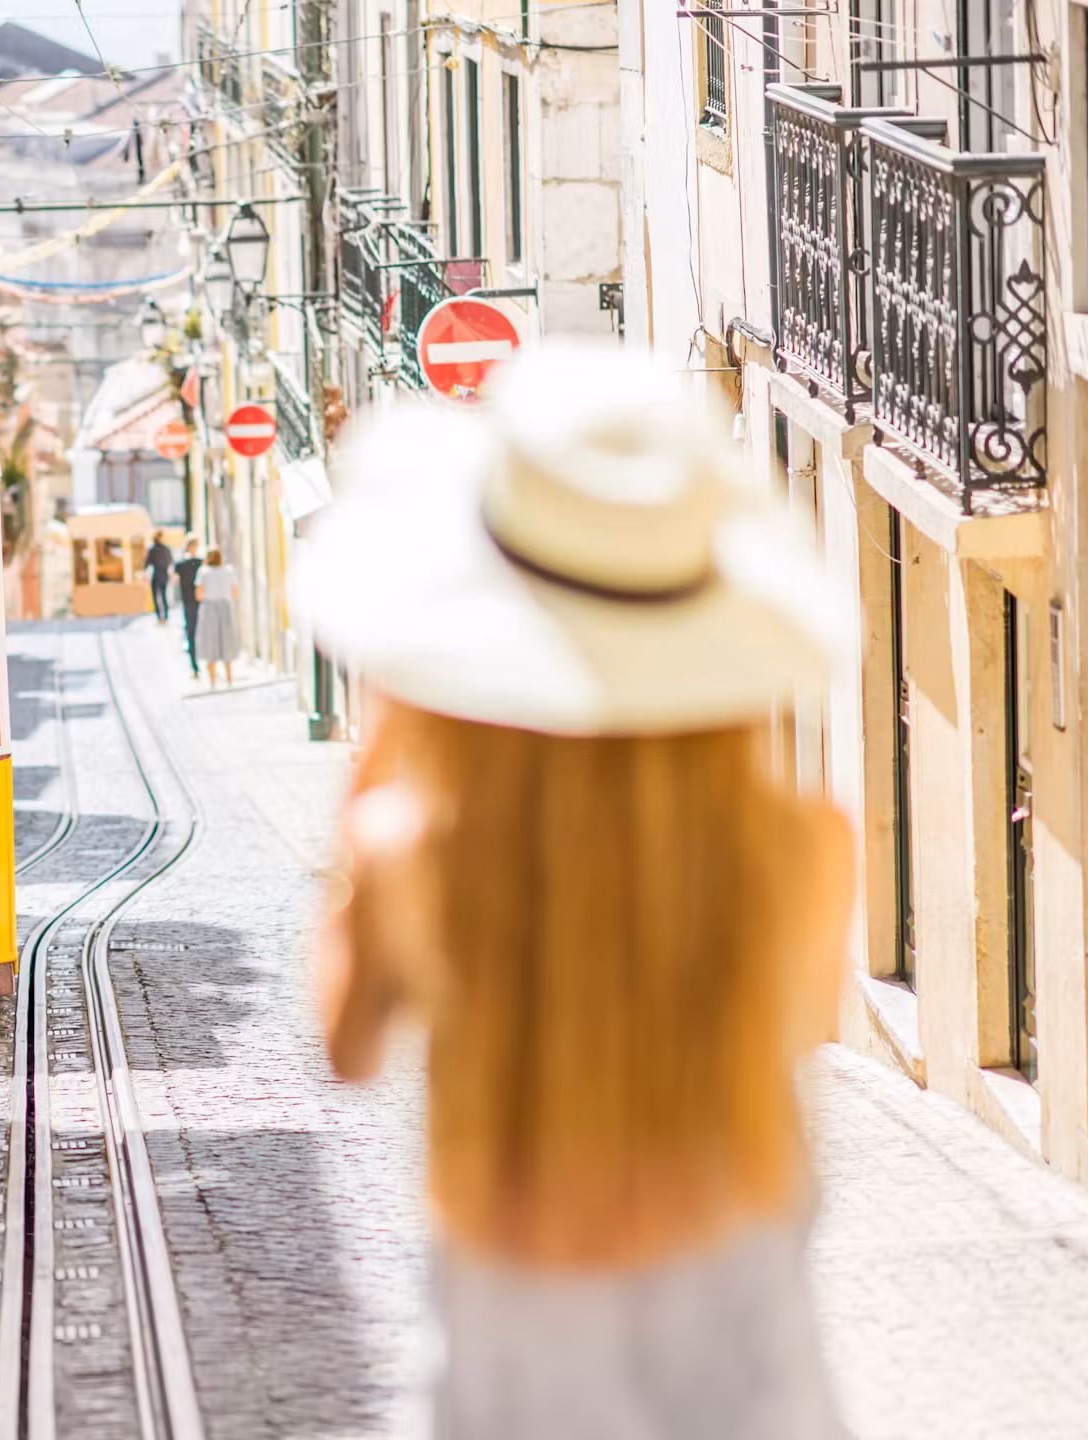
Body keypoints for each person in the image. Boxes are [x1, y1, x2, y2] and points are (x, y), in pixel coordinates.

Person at [297, 345, 854, 1439]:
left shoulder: (409, 852)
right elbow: (793, 1030)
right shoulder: (805, 849)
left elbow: (347, 1050)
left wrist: (376, 767)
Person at [192, 547, 238, 687]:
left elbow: (198, 595)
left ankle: (212, 681)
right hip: (225, 607)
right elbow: (235, 593)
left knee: (210, 642)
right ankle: (229, 679)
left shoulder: (203, 572)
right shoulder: (229, 571)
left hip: (209, 608)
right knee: (226, 640)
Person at [172, 538, 203, 676]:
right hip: (189, 602)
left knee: (199, 632)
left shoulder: (200, 562)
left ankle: (201, 663)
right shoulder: (182, 564)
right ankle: (194, 665)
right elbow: (173, 579)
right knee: (191, 631)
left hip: (200, 602)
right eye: (193, 545)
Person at [143, 533, 175, 623]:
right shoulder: (165, 549)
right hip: (163, 575)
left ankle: (160, 616)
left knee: (157, 596)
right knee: (163, 596)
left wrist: (145, 574)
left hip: (157, 575)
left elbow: (147, 563)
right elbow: (170, 562)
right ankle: (165, 616)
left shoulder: (153, 549)